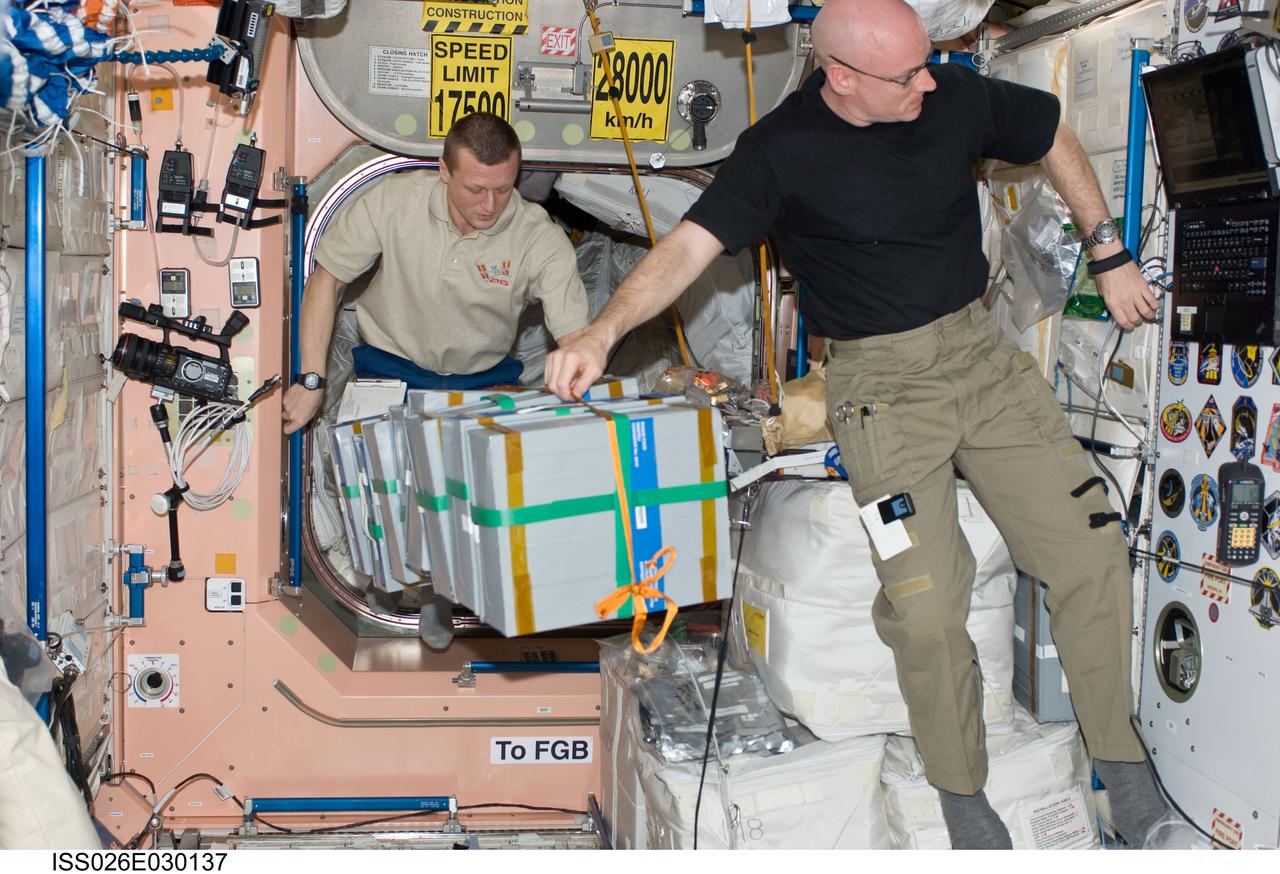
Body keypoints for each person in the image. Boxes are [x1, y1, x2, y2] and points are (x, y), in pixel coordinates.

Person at [547, 0, 1171, 850]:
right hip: (880, 392)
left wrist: (1106, 244)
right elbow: (687, 250)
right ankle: (961, 792)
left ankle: (1124, 770)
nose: (927, 82)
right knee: (924, 608)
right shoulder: (778, 152)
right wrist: (601, 330)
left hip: (982, 362)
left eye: (927, 63)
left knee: (1090, 551)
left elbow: (1051, 127)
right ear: (840, 76)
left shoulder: (950, 94)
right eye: (905, 74)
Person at [282, 112, 590, 435]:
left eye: (503, 189)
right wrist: (311, 381)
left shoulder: (539, 237)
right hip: (389, 371)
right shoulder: (394, 201)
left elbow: (575, 336)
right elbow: (327, 280)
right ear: (444, 171)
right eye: (476, 189)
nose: (490, 205)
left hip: (485, 380)